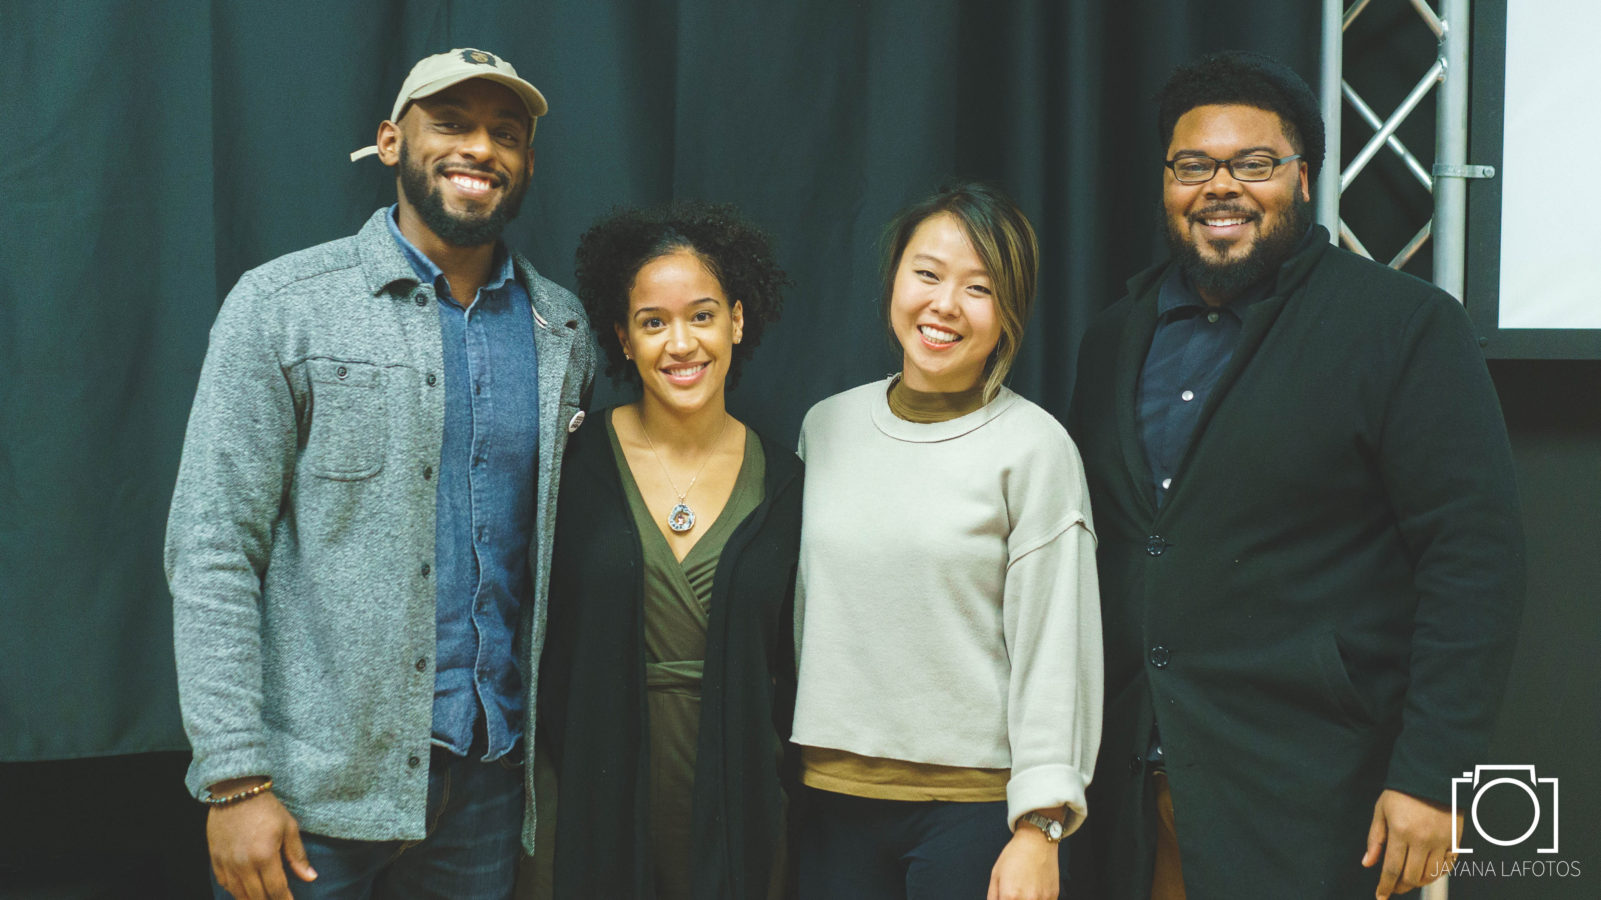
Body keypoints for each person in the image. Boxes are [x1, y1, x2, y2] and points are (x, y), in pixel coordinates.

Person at [1065, 51, 1524, 900]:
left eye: (1253, 164)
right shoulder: (1111, 337)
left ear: (1302, 178)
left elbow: (1472, 562)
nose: (1220, 187)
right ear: (1166, 182)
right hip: (1131, 790)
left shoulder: (1401, 325)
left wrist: (1431, 775)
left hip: (1311, 795)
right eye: (1193, 165)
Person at [166, 48, 595, 900]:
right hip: (304, 798)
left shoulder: (561, 328)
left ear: (528, 163)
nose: (480, 148)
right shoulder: (282, 305)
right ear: (392, 142)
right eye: (451, 124)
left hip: (485, 788)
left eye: (505, 134)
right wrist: (234, 779)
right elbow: (213, 547)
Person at [791, 182, 1103, 900]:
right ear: (894, 279)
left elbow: (1056, 647)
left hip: (974, 812)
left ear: (1009, 311)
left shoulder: (1035, 448)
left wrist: (1040, 826)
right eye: (927, 274)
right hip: (829, 801)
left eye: (978, 288)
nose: (944, 305)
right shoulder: (826, 427)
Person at [537, 203, 799, 900]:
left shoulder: (787, 483)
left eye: (702, 316)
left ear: (737, 320)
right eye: (653, 323)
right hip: (588, 813)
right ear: (623, 339)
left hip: (741, 816)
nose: (681, 344)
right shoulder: (569, 466)